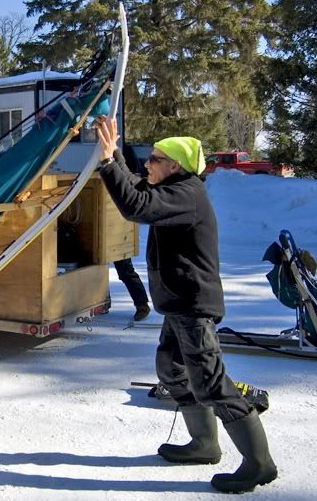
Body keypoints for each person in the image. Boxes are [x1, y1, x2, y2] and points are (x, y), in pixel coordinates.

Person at [95, 116, 277, 494]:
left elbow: (135, 205)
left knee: (211, 383)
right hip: (178, 304)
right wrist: (113, 157)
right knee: (171, 370)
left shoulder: (186, 193)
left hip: (193, 306)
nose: (148, 164)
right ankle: (204, 444)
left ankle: (259, 464)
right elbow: (138, 188)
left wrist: (111, 163)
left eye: (155, 159)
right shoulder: (174, 188)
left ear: (175, 166)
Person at [114, 143, 150, 321]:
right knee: (95, 265)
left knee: (124, 268)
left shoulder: (124, 149)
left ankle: (142, 304)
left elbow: (132, 178)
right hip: (110, 221)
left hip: (118, 224)